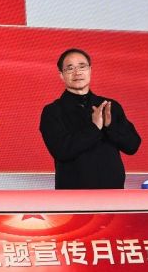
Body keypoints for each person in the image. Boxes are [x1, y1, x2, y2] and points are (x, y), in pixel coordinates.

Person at [39, 48, 141, 189]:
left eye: (82, 66)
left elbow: (132, 146)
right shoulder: (52, 111)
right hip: (72, 195)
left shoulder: (109, 106)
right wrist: (94, 128)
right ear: (61, 75)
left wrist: (110, 126)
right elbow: (61, 151)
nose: (77, 72)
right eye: (70, 68)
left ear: (90, 70)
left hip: (114, 193)